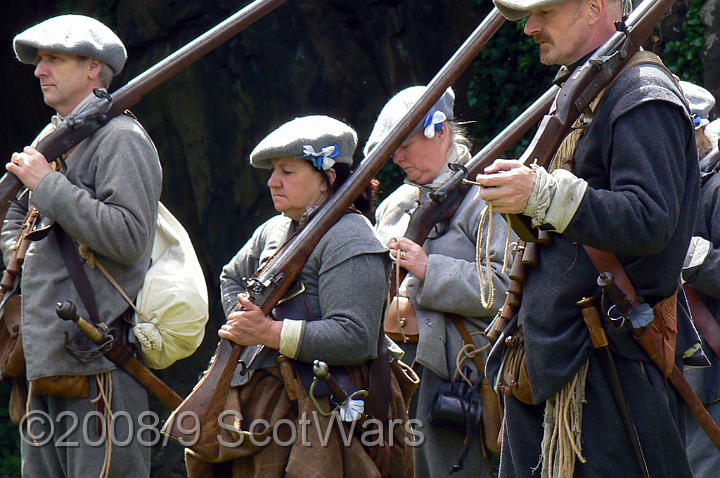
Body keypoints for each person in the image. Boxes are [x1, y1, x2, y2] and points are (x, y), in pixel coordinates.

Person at [476, 0, 700, 475]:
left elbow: (650, 218)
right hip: (558, 354)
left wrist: (541, 193)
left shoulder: (642, 94)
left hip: (604, 364)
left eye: (545, 13)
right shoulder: (587, 86)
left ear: (595, 6)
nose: (530, 28)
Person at [184, 115, 414, 478]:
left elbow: (355, 337)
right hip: (263, 403)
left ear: (328, 179)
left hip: (325, 408)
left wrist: (269, 333)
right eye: (274, 170)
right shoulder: (274, 229)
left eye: (288, 171)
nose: (273, 181)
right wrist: (247, 326)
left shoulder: (352, 239)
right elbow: (231, 277)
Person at [1, 14, 161, 478]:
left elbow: (129, 238)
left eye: (53, 58)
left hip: (100, 361)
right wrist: (24, 255)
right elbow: (15, 213)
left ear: (94, 68)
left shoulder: (122, 139)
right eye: (40, 60)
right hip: (45, 355)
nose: (38, 69)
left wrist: (48, 185)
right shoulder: (52, 137)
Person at [366, 86, 510, 477]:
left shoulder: (489, 196)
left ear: (440, 130)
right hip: (394, 372)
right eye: (392, 149)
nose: (397, 158)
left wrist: (431, 269)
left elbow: (506, 289)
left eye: (406, 145)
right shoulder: (396, 204)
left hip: (459, 375)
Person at [679, 81, 720, 478]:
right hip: (679, 371)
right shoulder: (678, 191)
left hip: (713, 378)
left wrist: (691, 255)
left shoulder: (716, 188)